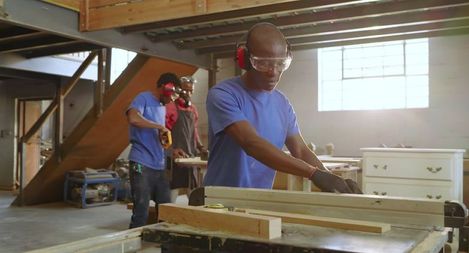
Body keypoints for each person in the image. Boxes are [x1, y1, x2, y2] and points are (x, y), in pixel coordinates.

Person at [204, 23, 361, 193]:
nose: (273, 72)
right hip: (217, 200)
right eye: (262, 63)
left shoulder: (282, 103)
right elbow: (251, 143)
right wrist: (313, 173)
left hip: (259, 202)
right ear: (245, 60)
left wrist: (332, 180)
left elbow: (300, 150)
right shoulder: (223, 94)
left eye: (280, 64)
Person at [126, 72, 179, 228]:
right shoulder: (143, 98)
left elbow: (157, 136)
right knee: (141, 212)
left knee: (166, 213)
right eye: (171, 95)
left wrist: (171, 149)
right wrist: (159, 126)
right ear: (165, 87)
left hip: (158, 165)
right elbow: (133, 118)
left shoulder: (162, 107)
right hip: (141, 164)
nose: (171, 100)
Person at [165, 76, 206, 202]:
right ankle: (168, 214)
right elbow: (163, 131)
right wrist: (170, 150)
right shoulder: (170, 107)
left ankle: (195, 214)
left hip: (190, 154)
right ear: (178, 90)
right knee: (174, 186)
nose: (188, 93)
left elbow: (194, 131)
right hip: (175, 155)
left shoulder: (193, 109)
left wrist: (201, 147)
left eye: (191, 90)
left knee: (192, 186)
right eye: (185, 90)